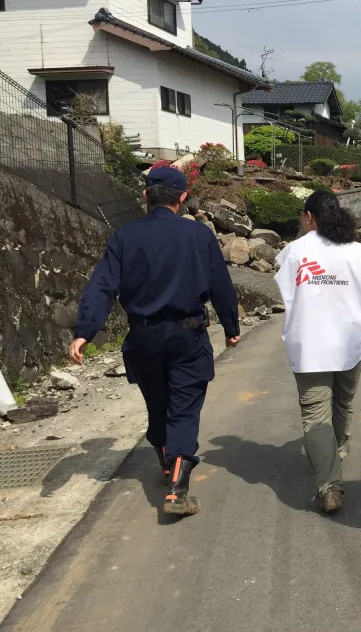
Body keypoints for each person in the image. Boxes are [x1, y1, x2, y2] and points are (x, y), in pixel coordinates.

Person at [69, 167, 241, 516]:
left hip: (143, 337)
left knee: (158, 403)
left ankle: (167, 461)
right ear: (183, 197)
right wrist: (230, 324)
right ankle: (177, 489)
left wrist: (85, 331)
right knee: (184, 407)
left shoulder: (124, 237)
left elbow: (102, 285)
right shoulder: (199, 235)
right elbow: (220, 284)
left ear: (146, 195)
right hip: (188, 334)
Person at [274, 190, 361, 514]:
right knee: (343, 403)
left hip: (310, 346)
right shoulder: (355, 250)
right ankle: (336, 456)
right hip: (350, 344)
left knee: (315, 415)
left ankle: (329, 483)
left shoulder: (293, 252)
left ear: (309, 216)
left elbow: (286, 294)